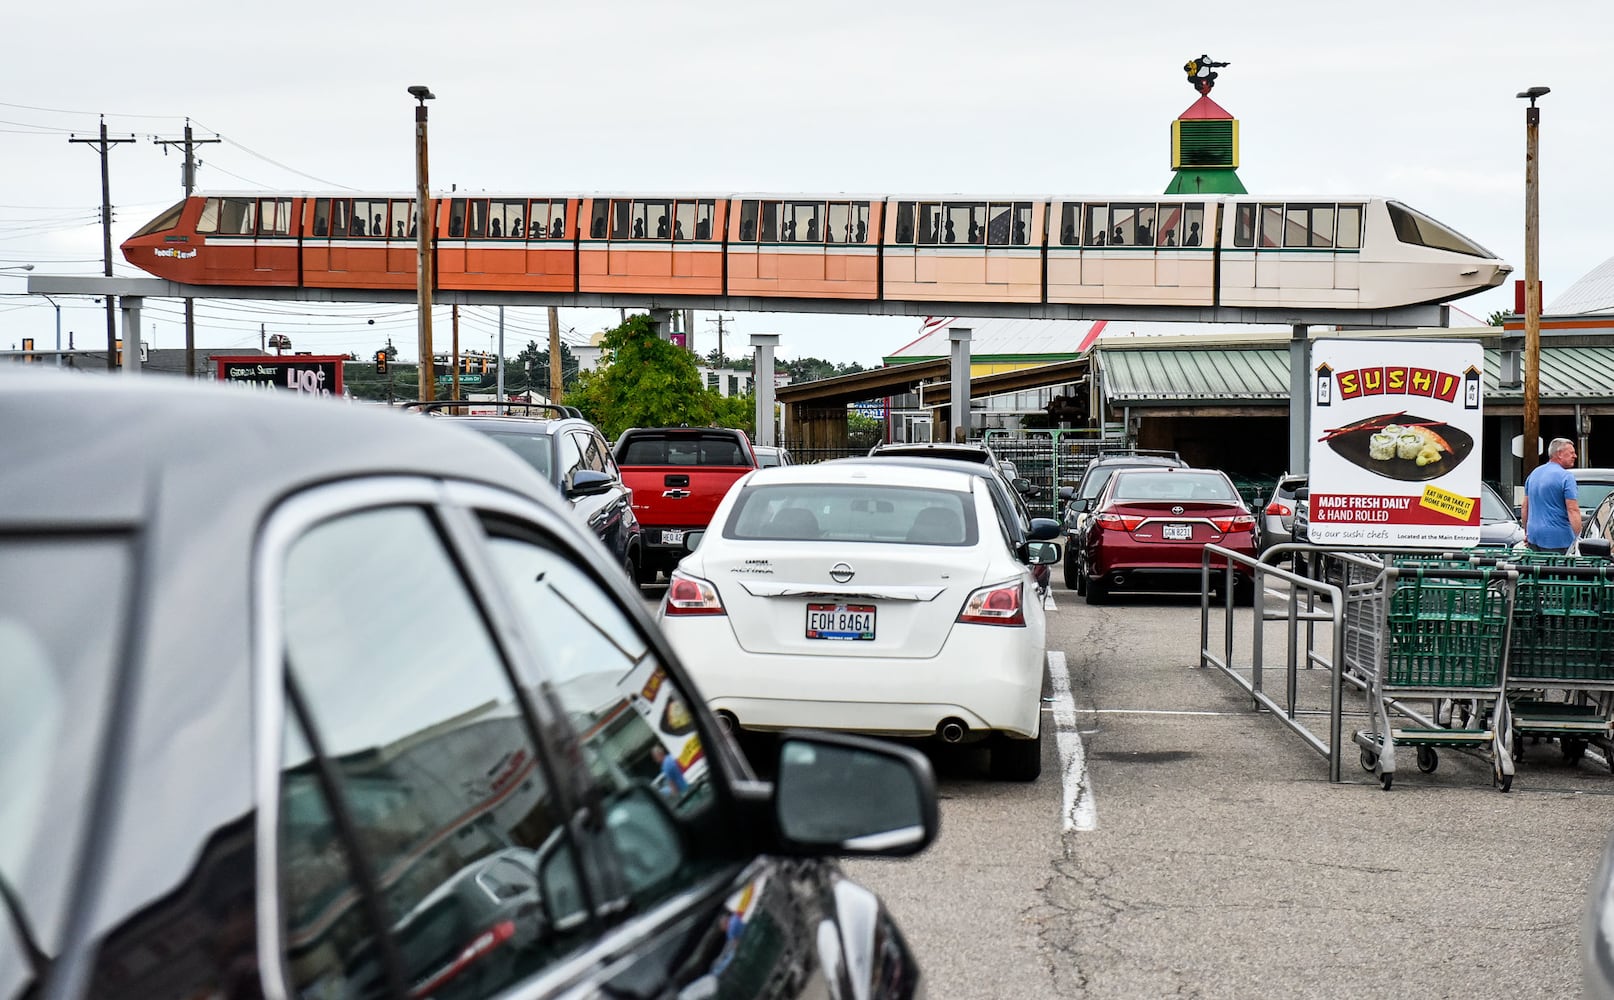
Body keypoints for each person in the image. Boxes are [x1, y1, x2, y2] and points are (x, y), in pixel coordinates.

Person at [1522, 438, 1582, 553]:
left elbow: (1525, 507)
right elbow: (1573, 510)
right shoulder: (1566, 477)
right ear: (1559, 454)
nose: (1575, 456)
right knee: (1558, 571)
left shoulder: (1534, 474)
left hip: (1534, 537)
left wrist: (1527, 533)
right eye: (1571, 453)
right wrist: (1579, 538)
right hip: (1559, 540)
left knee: (1537, 569)